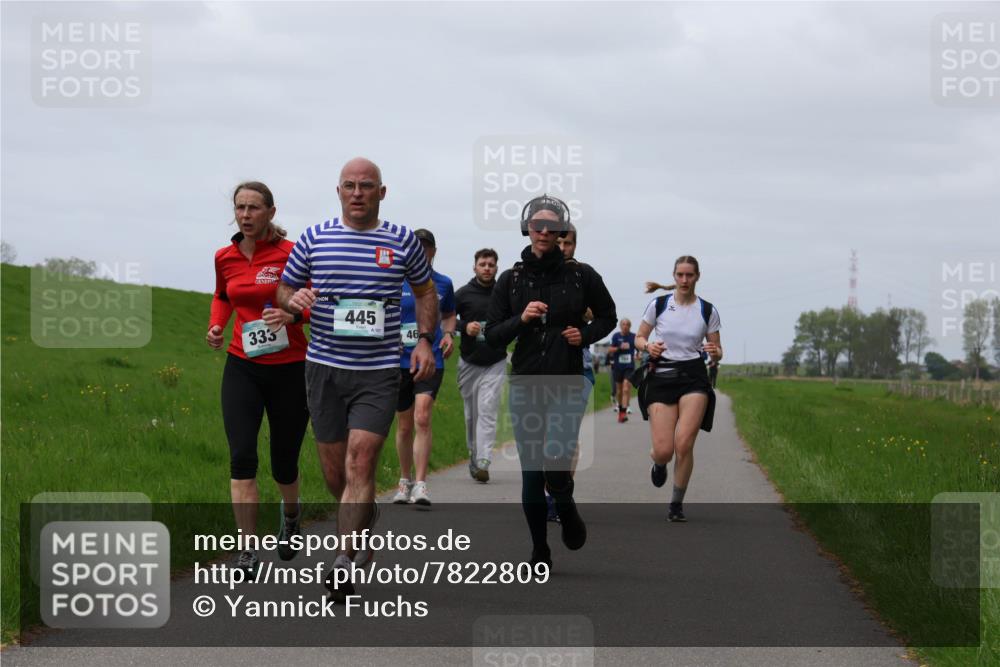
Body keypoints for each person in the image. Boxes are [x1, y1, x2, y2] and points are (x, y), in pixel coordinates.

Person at [276, 157, 439, 601]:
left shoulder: (401, 240)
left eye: (367, 186)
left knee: (360, 462)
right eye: (349, 185)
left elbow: (425, 292)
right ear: (338, 191)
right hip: (324, 367)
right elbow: (284, 289)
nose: (358, 192)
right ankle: (364, 519)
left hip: (378, 371)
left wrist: (424, 340)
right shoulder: (315, 237)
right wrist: (296, 299)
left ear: (381, 193)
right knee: (335, 473)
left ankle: (343, 562)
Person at [486, 195, 616, 569]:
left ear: (561, 231)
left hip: (567, 378)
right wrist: (522, 319)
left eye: (552, 227)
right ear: (527, 229)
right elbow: (493, 335)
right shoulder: (510, 281)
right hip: (526, 381)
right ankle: (539, 549)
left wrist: (585, 335)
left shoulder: (581, 275)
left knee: (557, 457)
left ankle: (565, 504)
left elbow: (608, 315)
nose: (544, 232)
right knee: (530, 472)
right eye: (537, 226)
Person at [206, 181, 310, 575]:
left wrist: (292, 315)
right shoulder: (224, 256)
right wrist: (217, 327)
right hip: (242, 366)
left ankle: (292, 516)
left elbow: (316, 295)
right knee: (242, 457)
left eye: (253, 208)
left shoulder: (292, 253)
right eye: (240, 208)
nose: (245, 215)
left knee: (283, 462)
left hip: (290, 367)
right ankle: (247, 550)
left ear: (270, 211)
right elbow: (222, 296)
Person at [634, 256, 722, 522]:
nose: (684, 280)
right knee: (664, 450)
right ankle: (659, 464)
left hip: (693, 377)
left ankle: (676, 503)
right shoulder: (659, 305)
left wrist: (715, 352)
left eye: (690, 275)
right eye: (680, 275)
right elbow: (639, 338)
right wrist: (648, 347)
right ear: (674, 277)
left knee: (684, 444)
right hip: (662, 376)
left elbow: (717, 350)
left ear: (697, 277)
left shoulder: (707, 310)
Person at [392, 228, 456, 506]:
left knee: (422, 416)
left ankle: (421, 485)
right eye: (416, 247)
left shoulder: (443, 283)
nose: (421, 251)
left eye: (426, 247)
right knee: (404, 425)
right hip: (398, 360)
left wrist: (450, 334)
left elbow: (450, 314)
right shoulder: (394, 281)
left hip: (431, 358)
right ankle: (404, 481)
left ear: (433, 252)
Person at [454, 248, 507, 483]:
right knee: (470, 416)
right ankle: (474, 455)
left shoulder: (503, 293)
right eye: (483, 264)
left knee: (487, 408)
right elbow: (445, 318)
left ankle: (484, 460)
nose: (487, 268)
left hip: (495, 360)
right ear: (474, 267)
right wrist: (464, 327)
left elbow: (516, 318)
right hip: (469, 361)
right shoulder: (463, 294)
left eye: (491, 265)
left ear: (496, 268)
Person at [608, 319, 637, 423]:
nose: (625, 326)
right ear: (620, 326)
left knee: (626, 388)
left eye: (627, 325)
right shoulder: (616, 336)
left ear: (630, 326)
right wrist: (619, 347)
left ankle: (624, 412)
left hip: (629, 366)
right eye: (623, 324)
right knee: (619, 391)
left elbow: (638, 348)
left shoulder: (633, 336)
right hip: (618, 367)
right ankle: (620, 410)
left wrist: (639, 354)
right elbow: (610, 350)